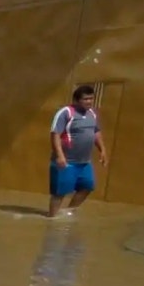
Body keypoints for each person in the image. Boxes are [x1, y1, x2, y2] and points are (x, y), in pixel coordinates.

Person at [47, 85, 108, 218]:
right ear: (76, 100)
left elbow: (96, 132)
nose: (89, 101)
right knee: (59, 193)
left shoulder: (92, 114)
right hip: (66, 161)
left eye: (91, 98)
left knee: (87, 187)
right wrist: (60, 156)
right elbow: (55, 134)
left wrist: (102, 150)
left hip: (85, 162)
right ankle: (51, 219)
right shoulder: (66, 113)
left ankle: (68, 212)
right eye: (85, 99)